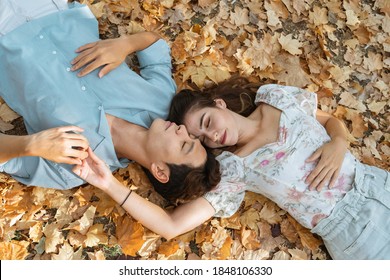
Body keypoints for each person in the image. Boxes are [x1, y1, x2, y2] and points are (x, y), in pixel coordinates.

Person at [75, 76, 390, 260]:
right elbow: (171, 226)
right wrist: (107, 184)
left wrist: (339, 142)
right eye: (203, 139)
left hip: (377, 182)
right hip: (356, 234)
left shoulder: (274, 96)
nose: (212, 136)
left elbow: (329, 120)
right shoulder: (233, 168)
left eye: (207, 122)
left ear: (219, 104)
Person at [0, 0, 219, 194]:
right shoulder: (163, 101)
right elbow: (156, 46)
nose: (182, 130)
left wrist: (31, 145)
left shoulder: (73, 169)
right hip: (50, 9)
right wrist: (125, 45)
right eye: (191, 137)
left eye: (183, 145)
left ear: (160, 171)